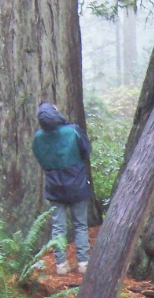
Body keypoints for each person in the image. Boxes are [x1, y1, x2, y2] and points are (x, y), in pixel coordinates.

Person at [32, 102, 94, 275]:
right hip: (77, 184)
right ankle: (83, 262)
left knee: (58, 227)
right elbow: (86, 150)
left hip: (54, 186)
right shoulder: (72, 131)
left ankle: (61, 265)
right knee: (80, 225)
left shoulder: (38, 137)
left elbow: (39, 157)